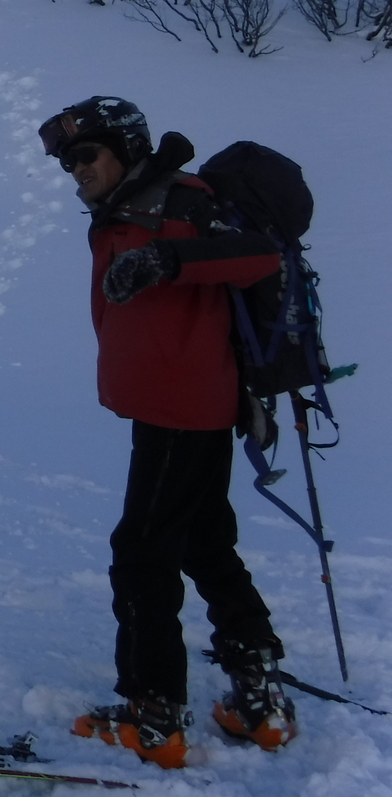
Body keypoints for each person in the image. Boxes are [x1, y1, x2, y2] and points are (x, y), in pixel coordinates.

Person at [39, 96, 295, 768]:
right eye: (68, 162)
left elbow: (260, 256)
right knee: (206, 541)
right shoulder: (127, 209)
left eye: (86, 155)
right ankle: (260, 697)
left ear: (124, 147)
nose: (76, 170)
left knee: (143, 551)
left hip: (184, 410)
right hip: (173, 406)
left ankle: (154, 714)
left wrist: (169, 263)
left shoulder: (180, 202)